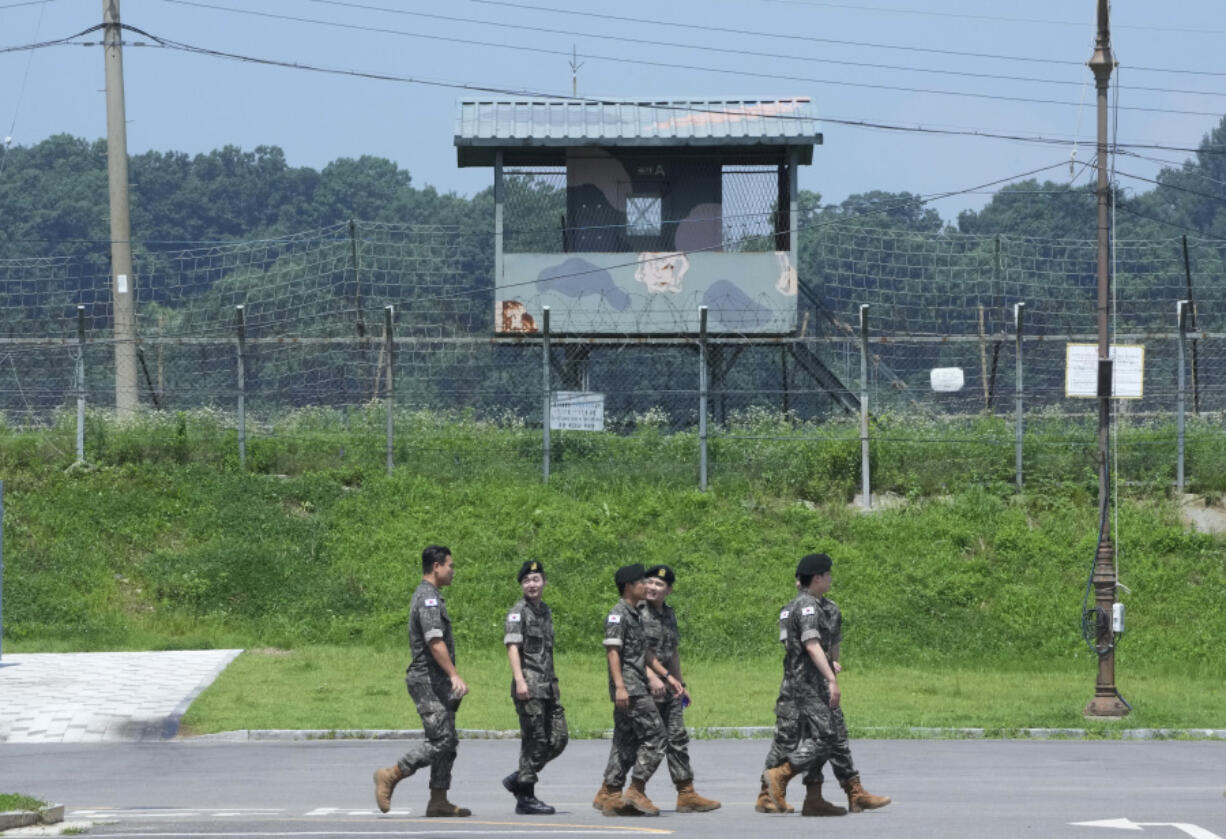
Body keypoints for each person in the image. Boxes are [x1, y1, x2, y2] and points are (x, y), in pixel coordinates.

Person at [760, 553, 890, 816]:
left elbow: (832, 642)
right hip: (806, 683)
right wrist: (831, 677)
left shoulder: (825, 607)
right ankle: (779, 777)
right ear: (817, 578)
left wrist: (832, 665)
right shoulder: (804, 607)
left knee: (835, 735)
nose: (831, 578)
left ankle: (838, 795)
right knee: (823, 736)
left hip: (816, 679)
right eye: (828, 574)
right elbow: (808, 645)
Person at [372, 545, 472, 817]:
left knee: (448, 742)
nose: (453, 571)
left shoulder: (433, 597)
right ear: (436, 566)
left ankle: (438, 799)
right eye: (450, 565)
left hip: (437, 681)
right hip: (427, 680)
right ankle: (391, 774)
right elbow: (434, 640)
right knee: (441, 741)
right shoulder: (427, 599)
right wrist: (454, 675)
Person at [591, 563, 677, 817]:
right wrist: (620, 687)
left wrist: (668, 675)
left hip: (636, 684)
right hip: (631, 687)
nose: (646, 585)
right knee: (657, 735)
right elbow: (613, 652)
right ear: (629, 586)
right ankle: (636, 789)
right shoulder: (617, 615)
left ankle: (611, 793)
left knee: (626, 740)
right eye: (641, 582)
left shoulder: (635, 614)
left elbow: (645, 653)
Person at [639, 564, 720, 813]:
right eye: (649, 582)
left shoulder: (669, 614)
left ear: (669, 590)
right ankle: (628, 791)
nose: (652, 588)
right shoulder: (637, 612)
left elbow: (672, 650)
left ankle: (686, 794)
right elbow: (636, 652)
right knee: (646, 741)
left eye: (659, 585)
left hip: (669, 685)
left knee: (677, 739)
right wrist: (652, 677)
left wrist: (681, 684)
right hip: (645, 685)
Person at [500, 560, 568, 815]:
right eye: (527, 580)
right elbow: (512, 647)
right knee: (535, 740)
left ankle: (518, 778)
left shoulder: (545, 611)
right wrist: (519, 680)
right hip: (528, 686)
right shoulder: (518, 612)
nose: (532, 584)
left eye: (536, 579)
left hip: (548, 687)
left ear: (544, 582)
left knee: (559, 739)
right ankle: (525, 796)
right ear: (521, 585)